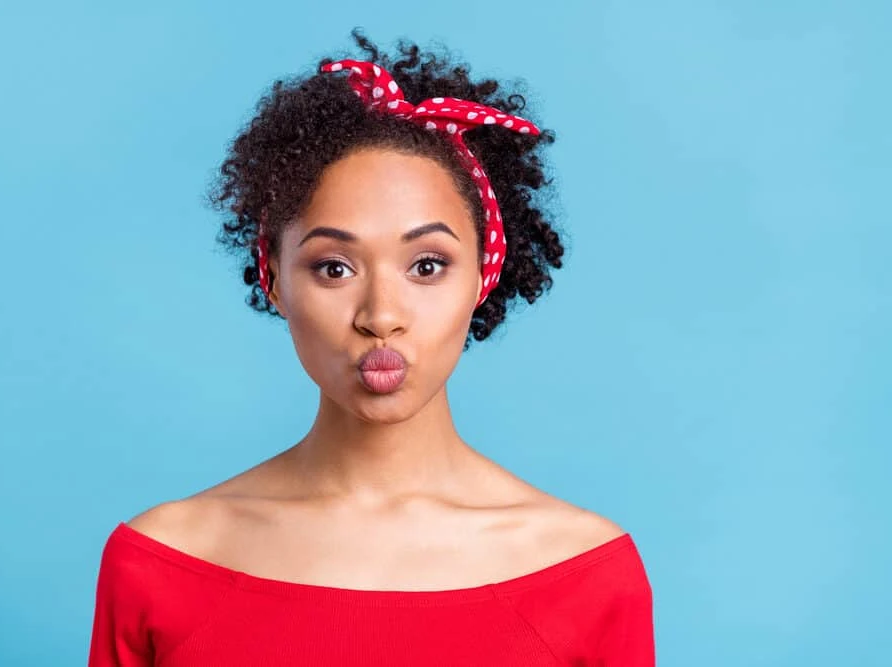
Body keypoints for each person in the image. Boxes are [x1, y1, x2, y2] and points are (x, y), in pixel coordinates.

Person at [87, 30, 654, 666]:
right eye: (334, 268)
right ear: (274, 280)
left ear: (483, 276)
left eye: (427, 265)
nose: (381, 316)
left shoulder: (586, 573)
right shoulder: (162, 561)